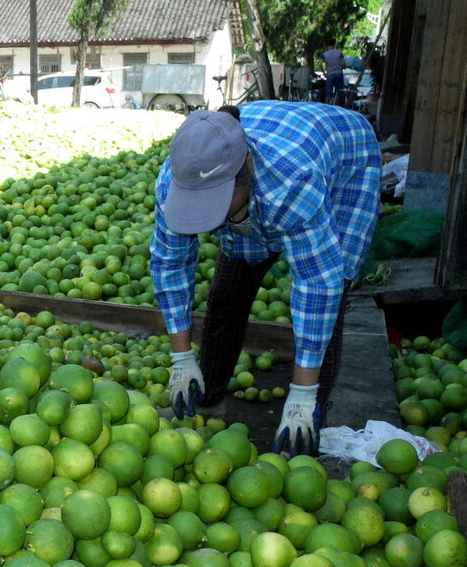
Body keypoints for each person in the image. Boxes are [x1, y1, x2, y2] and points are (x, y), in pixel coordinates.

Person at [149, 103, 381, 457]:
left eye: (214, 203)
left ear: (248, 170)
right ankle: (206, 392)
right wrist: (181, 359)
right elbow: (169, 263)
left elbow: (318, 287)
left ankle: (307, 420)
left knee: (331, 300)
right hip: (272, 152)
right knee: (227, 294)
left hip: (348, 159)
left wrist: (301, 396)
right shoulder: (177, 179)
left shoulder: (293, 184)